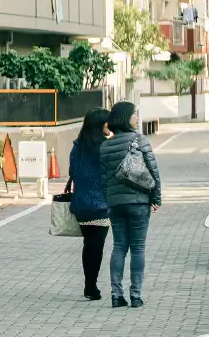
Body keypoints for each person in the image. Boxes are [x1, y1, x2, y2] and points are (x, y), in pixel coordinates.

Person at [99, 101, 163, 309]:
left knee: (118, 247)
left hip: (115, 204)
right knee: (137, 248)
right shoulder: (139, 140)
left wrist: (108, 200)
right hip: (138, 202)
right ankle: (135, 295)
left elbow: (103, 179)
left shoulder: (105, 145)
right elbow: (153, 171)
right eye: (134, 114)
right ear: (126, 117)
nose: (136, 118)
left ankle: (116, 295)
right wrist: (156, 198)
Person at [67, 108, 112, 301]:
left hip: (81, 203)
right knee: (97, 246)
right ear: (101, 125)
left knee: (88, 245)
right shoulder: (105, 147)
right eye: (107, 122)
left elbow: (72, 171)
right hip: (101, 204)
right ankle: (91, 287)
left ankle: (89, 285)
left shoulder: (77, 146)